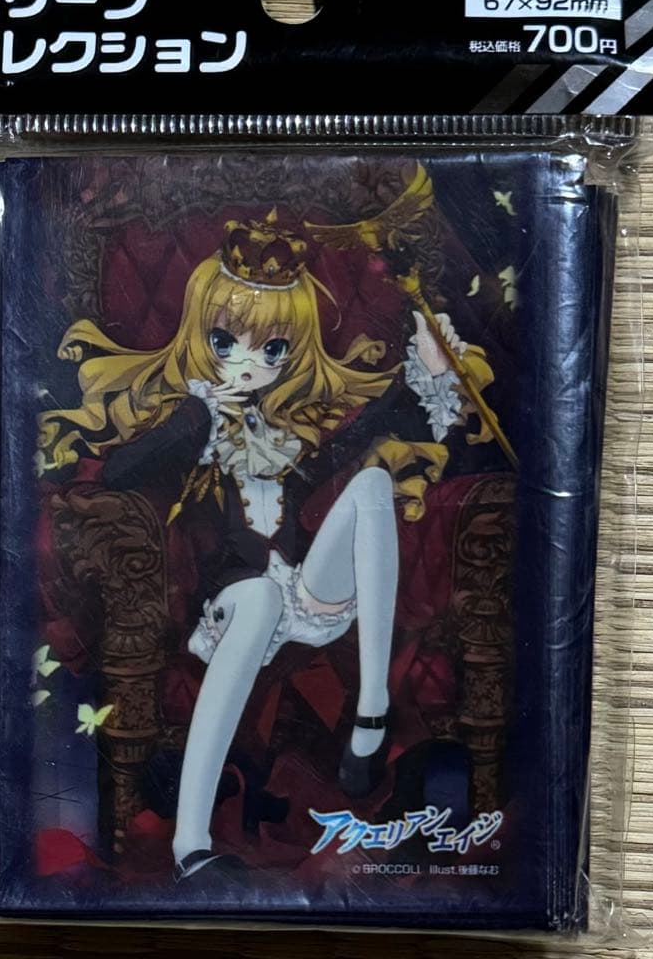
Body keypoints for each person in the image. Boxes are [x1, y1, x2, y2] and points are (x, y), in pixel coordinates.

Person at [38, 203, 493, 883]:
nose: (249, 363)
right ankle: (191, 844)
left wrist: (427, 369)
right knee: (255, 598)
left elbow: (369, 429)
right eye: (227, 342)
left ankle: (370, 715)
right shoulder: (193, 417)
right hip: (231, 607)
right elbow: (123, 472)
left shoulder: (287, 431)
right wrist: (197, 416)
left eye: (272, 349)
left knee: (371, 483)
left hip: (307, 593)